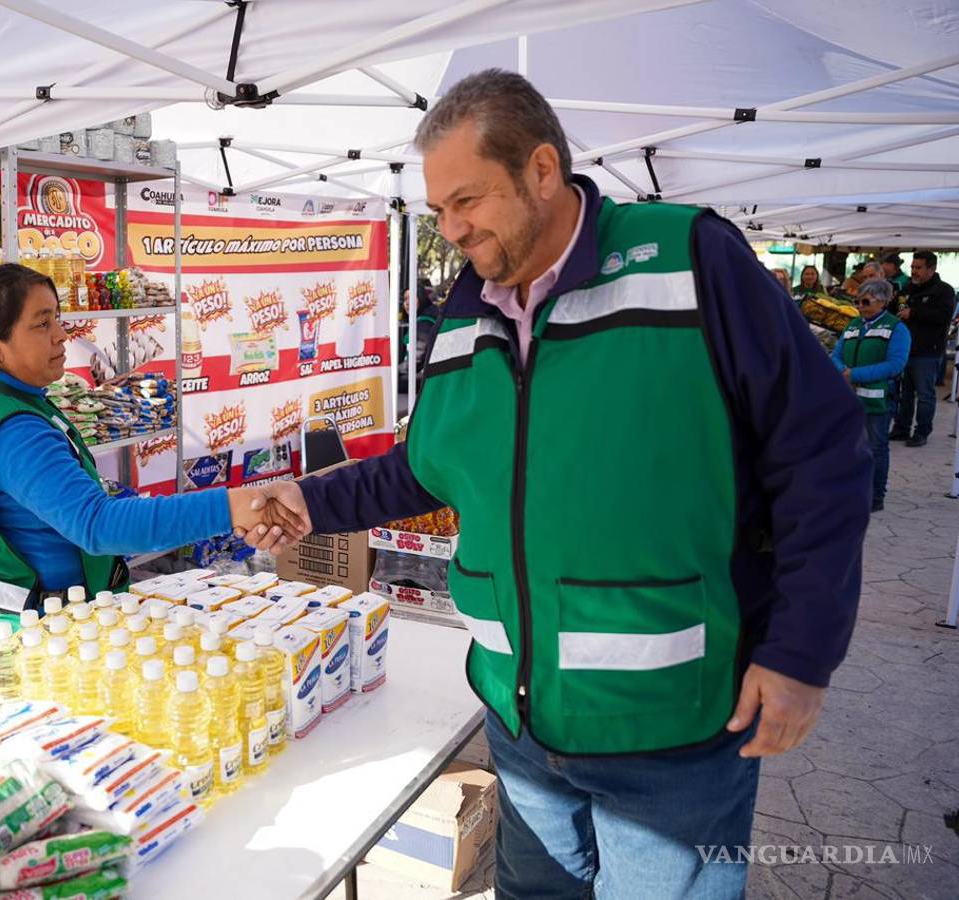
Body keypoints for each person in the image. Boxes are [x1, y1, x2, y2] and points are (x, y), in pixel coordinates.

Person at [250, 69, 870, 899]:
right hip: (520, 722)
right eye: (438, 210)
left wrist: (801, 654)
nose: (451, 229)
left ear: (542, 169)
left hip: (670, 727)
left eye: (466, 201)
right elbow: (430, 464)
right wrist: (311, 499)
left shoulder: (690, 259)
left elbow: (822, 453)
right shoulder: (466, 308)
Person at [0, 264, 303, 677]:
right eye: (42, 324)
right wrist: (234, 506)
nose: (61, 334)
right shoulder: (15, 428)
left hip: (2, 624)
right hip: (18, 640)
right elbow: (99, 525)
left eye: (57, 318)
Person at [833, 279, 909, 512]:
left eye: (865, 301)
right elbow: (836, 355)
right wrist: (843, 371)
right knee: (850, 447)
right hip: (849, 399)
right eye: (857, 301)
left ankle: (875, 496)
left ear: (883, 301)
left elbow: (895, 364)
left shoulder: (896, 328)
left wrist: (854, 374)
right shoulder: (852, 325)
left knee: (876, 447)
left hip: (878, 400)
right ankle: (852, 492)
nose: (859, 306)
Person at [889, 250, 955, 446]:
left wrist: (914, 313)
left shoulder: (944, 291)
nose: (913, 271)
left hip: (927, 351)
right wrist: (896, 305)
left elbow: (943, 317)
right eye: (912, 267)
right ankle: (901, 429)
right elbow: (898, 307)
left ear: (931, 269)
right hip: (904, 350)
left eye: (918, 268)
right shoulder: (908, 288)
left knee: (925, 395)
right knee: (904, 394)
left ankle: (922, 432)